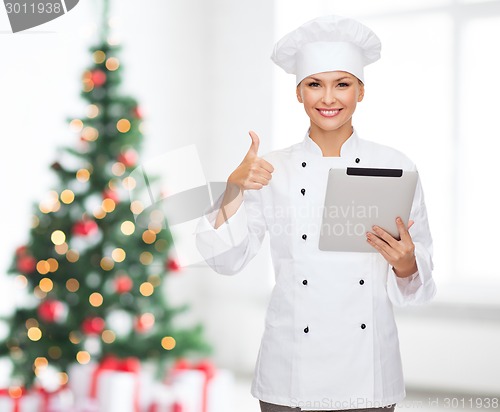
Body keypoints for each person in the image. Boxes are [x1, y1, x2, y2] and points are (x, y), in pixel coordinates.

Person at [195, 14, 436, 412]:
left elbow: (420, 282)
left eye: (342, 84)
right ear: (298, 93)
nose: (328, 98)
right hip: (290, 369)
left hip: (368, 373)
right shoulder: (269, 169)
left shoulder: (397, 166)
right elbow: (225, 260)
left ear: (361, 91)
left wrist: (408, 264)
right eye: (314, 85)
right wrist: (233, 187)